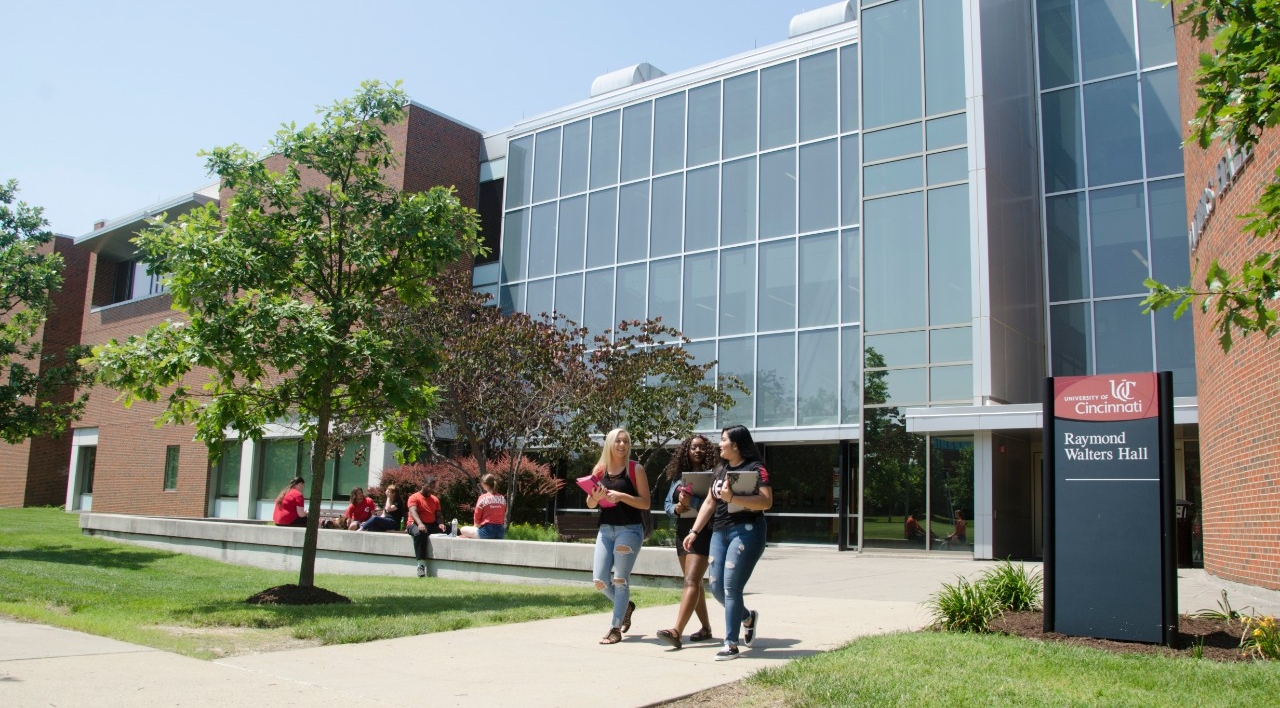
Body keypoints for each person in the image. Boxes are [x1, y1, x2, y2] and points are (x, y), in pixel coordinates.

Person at [684, 425, 772, 660]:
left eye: (723, 440)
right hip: (719, 533)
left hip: (746, 532)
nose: (719, 444)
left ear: (736, 444)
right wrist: (694, 531)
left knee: (732, 588)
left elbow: (766, 502)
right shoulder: (720, 469)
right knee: (717, 589)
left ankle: (730, 643)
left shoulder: (756, 469)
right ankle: (747, 617)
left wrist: (733, 497)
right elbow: (710, 504)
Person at [584, 427, 650, 645]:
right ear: (610, 444)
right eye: (618, 441)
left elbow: (645, 503)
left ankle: (615, 627)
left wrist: (621, 496)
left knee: (620, 579)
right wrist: (595, 496)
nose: (622, 445)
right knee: (600, 581)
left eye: (626, 441)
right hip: (606, 530)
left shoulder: (635, 469)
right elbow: (590, 503)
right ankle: (626, 607)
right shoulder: (600, 470)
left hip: (629, 530)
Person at [655, 434, 716, 650]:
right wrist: (677, 509)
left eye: (702, 447)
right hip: (682, 531)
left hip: (703, 532)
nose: (697, 451)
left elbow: (714, 505)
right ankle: (706, 628)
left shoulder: (714, 476)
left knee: (691, 580)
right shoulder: (677, 478)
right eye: (693, 447)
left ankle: (676, 632)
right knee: (695, 582)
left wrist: (694, 502)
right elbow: (666, 504)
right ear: (686, 451)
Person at [406, 479, 446, 577]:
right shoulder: (414, 497)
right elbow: (413, 512)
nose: (431, 489)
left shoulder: (435, 499)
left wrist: (440, 524)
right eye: (429, 487)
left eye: (432, 487)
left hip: (430, 525)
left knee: (451, 530)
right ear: (423, 484)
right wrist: (420, 523)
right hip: (414, 524)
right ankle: (421, 566)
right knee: (420, 533)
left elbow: (438, 515)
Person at [473, 473, 508, 539]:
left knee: (463, 529)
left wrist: (476, 525)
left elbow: (477, 514)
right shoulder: (502, 498)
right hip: (500, 531)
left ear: (485, 484)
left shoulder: (482, 498)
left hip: (487, 531)